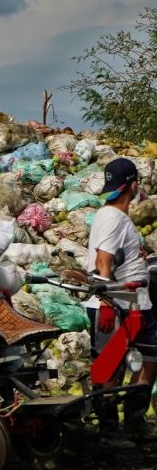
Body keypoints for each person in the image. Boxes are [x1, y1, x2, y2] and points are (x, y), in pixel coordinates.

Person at [84, 157, 157, 447]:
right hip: (116, 302)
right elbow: (104, 260)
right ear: (135, 185)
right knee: (109, 367)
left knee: (151, 357)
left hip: (137, 300)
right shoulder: (112, 218)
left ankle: (134, 420)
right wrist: (104, 301)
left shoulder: (119, 217)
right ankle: (109, 432)